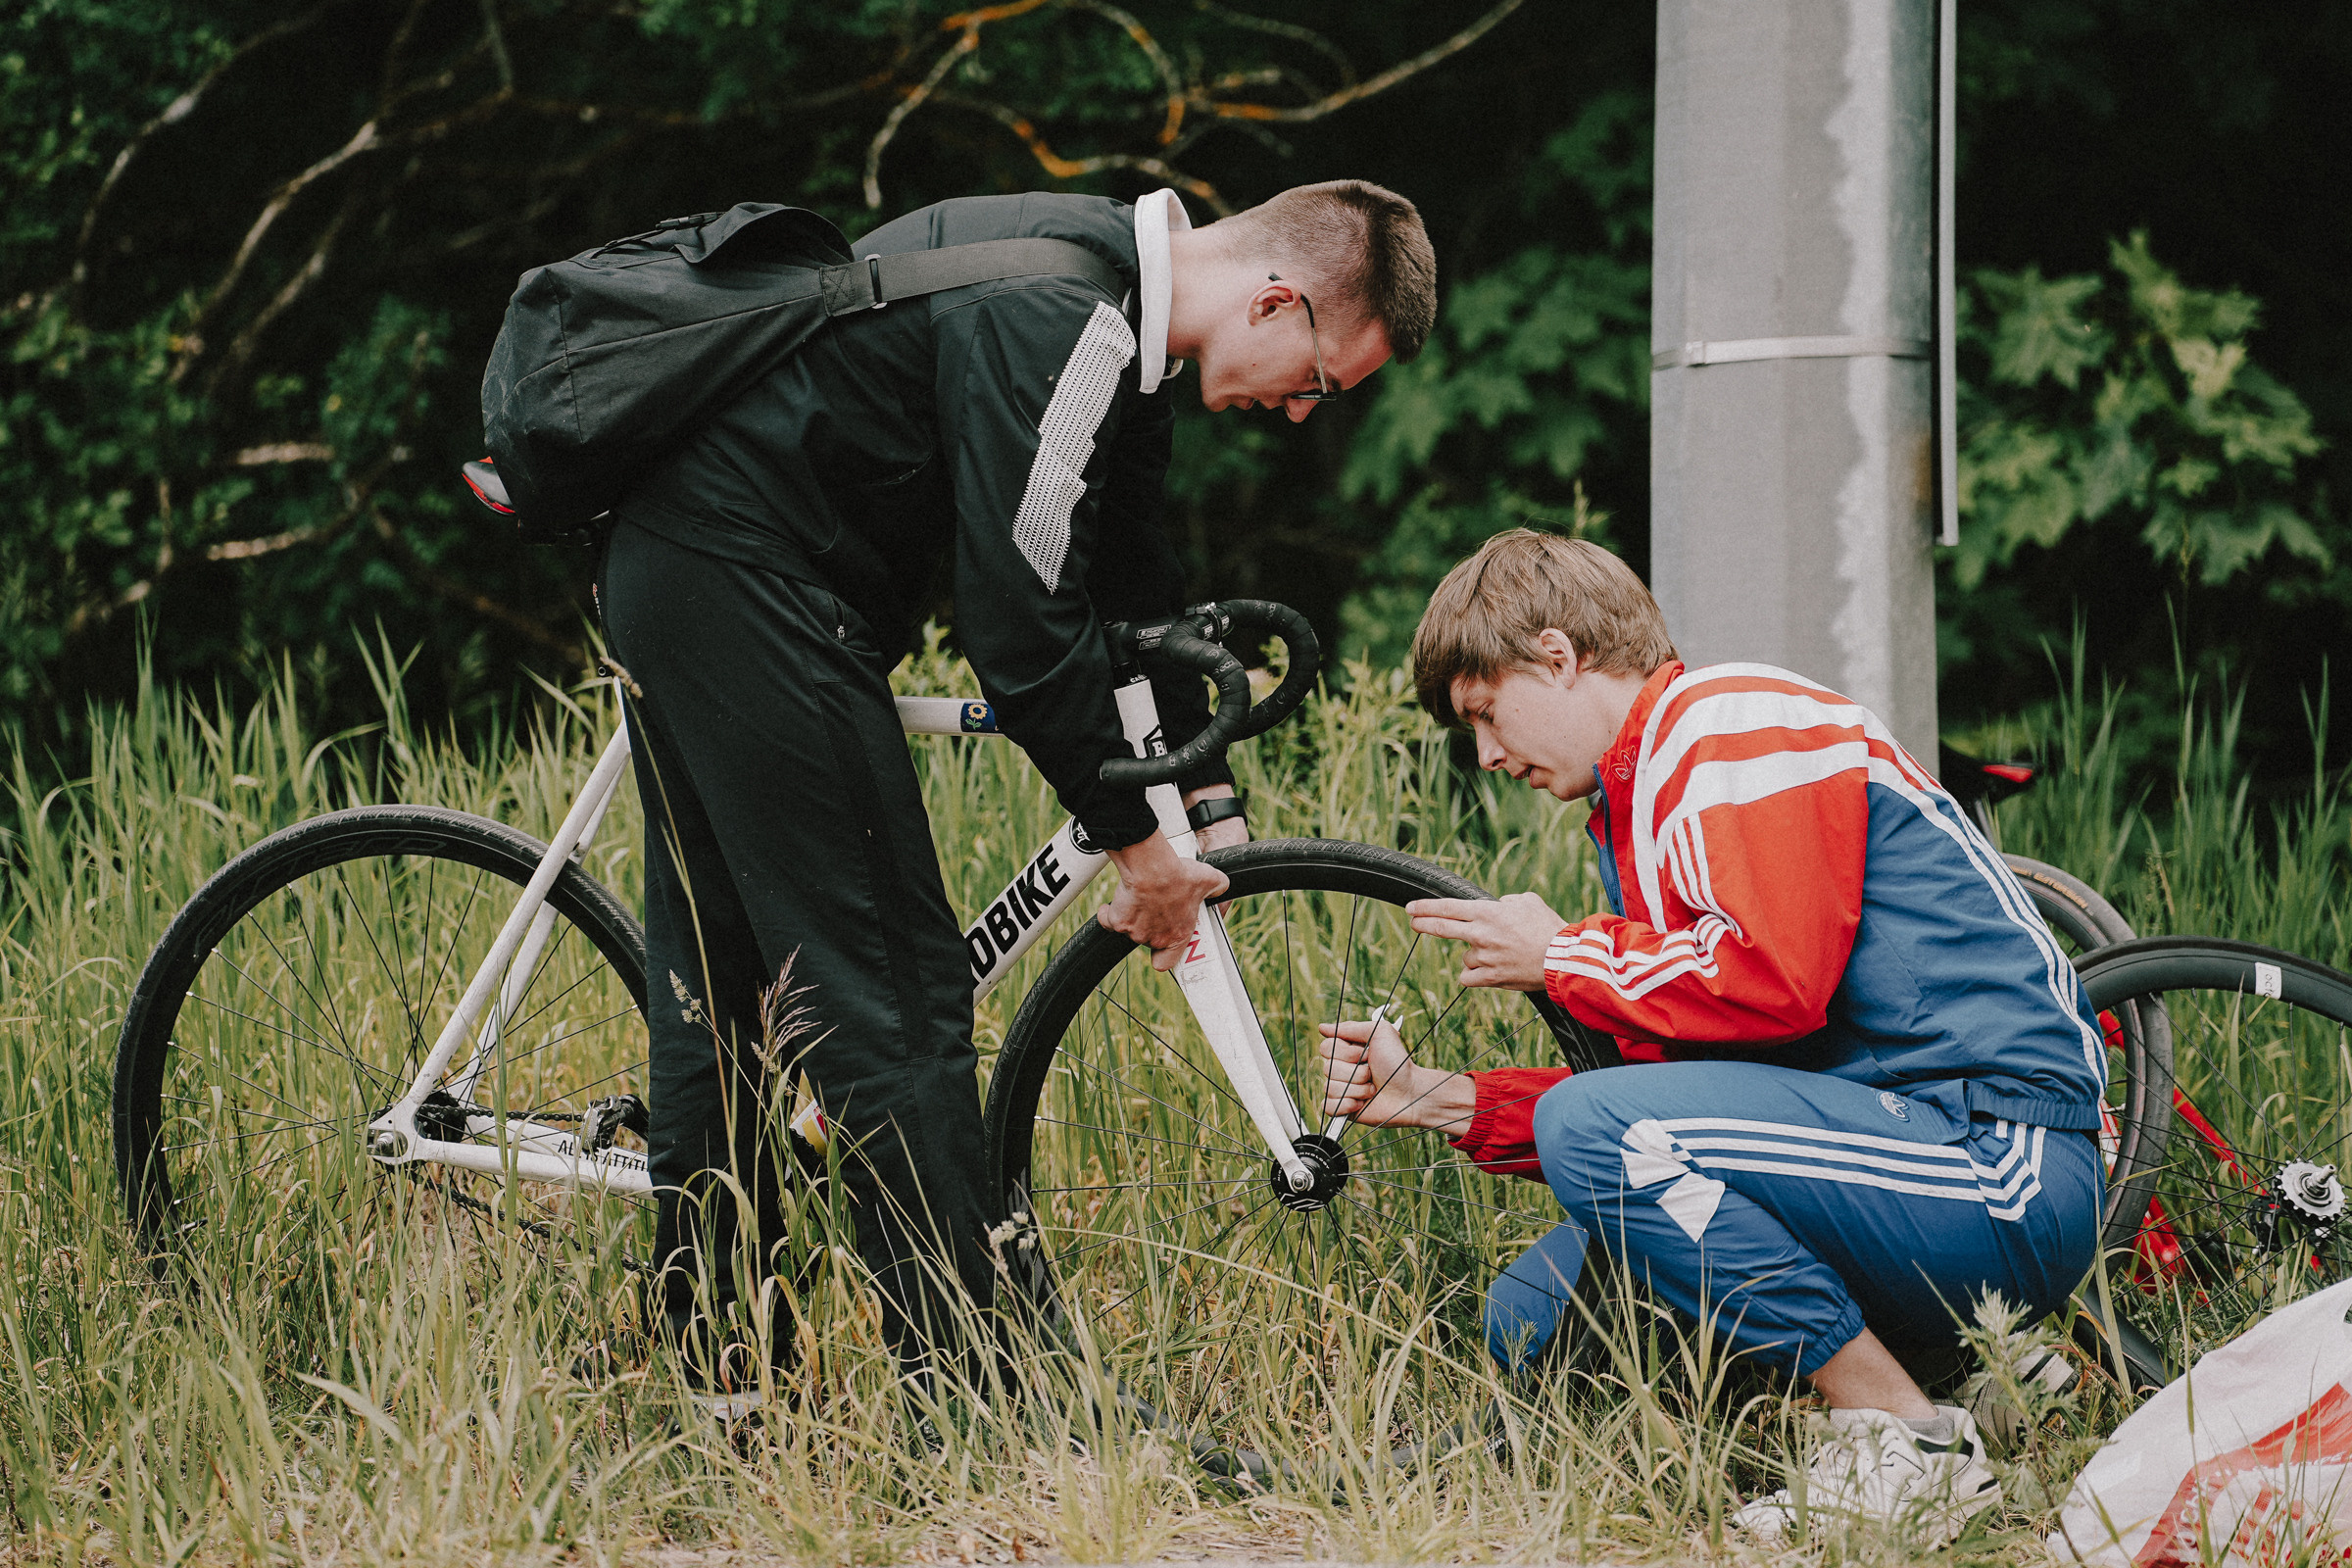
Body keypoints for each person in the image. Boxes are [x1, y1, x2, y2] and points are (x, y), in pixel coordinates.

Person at [594, 180, 1438, 1397]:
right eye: (1320, 379)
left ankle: (718, 1385)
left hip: (713, 565)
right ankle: (976, 1400)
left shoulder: (1127, 321)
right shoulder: (1068, 315)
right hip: (740, 579)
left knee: (739, 1007)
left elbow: (1130, 574)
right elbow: (1022, 620)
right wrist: (1130, 838)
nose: (1304, 414)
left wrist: (1200, 799)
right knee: (890, 997)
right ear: (1274, 299)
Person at [1315, 528, 2102, 1543]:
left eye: (1486, 713)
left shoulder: (1729, 725)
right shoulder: (1639, 805)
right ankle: (1974, 1371)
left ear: (1558, 657)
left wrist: (1563, 953)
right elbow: (1677, 1092)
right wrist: (1435, 1098)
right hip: (1888, 1143)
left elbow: (1772, 983)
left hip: (1997, 1160)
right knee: (1535, 1315)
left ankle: (1908, 1437)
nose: (1489, 754)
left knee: (1605, 1135)